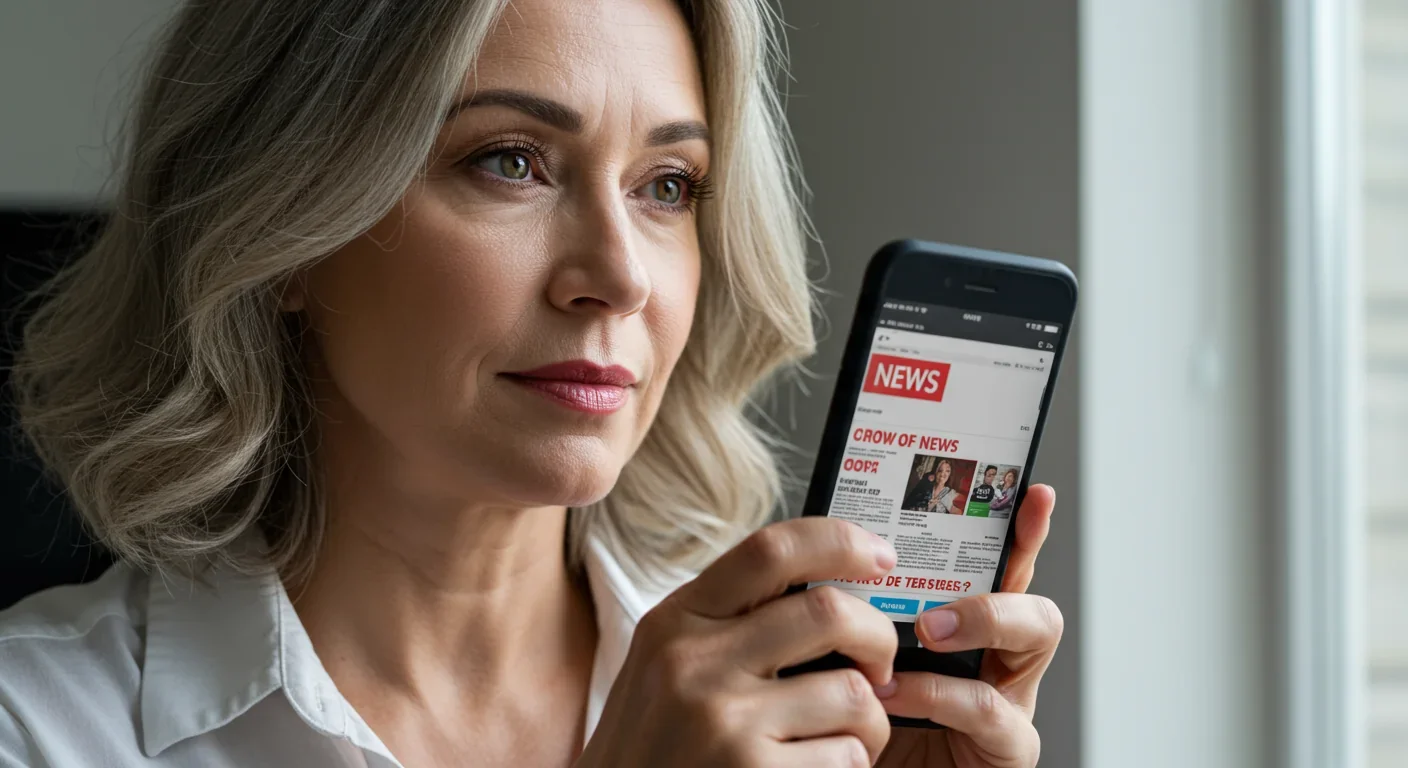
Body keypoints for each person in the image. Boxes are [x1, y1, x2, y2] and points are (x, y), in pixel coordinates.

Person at [0, 1, 1063, 766]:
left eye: (666, 186)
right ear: (284, 233)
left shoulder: (796, 714)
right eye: (511, 160)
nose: (618, 276)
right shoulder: (38, 725)